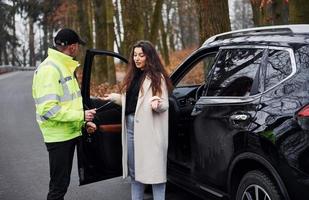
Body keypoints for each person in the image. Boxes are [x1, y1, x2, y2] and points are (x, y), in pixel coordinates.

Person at [103, 40, 173, 200]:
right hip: (130, 128)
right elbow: (134, 102)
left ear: (149, 57)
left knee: (155, 175)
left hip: (150, 132)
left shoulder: (157, 77)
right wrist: (116, 98)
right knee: (135, 173)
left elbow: (164, 104)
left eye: (141, 55)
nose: (137, 58)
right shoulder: (133, 76)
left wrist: (157, 104)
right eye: (135, 55)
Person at [32, 28, 97, 200]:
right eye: (78, 46)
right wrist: (81, 116)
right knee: (58, 187)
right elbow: (49, 109)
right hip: (58, 137)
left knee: (61, 184)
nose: (79, 49)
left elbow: (70, 102)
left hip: (69, 132)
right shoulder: (50, 69)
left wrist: (83, 119)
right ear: (73, 47)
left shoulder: (63, 66)